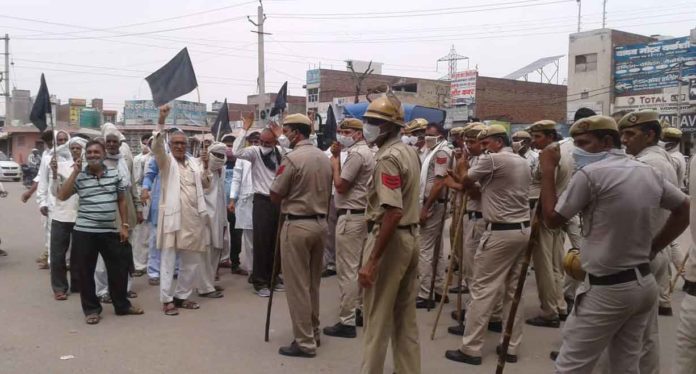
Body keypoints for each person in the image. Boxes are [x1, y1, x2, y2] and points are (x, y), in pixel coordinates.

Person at [543, 115, 688, 373]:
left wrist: (547, 170)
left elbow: (552, 219)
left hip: (608, 289)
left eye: (584, 143)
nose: (577, 150)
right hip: (641, 283)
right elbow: (684, 208)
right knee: (625, 364)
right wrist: (654, 247)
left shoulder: (590, 174)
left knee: (570, 366)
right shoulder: (646, 170)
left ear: (606, 141)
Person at [443, 124, 531, 365]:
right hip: (522, 229)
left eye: (485, 143)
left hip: (500, 232)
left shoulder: (492, 160)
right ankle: (510, 346)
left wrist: (460, 168)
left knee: (482, 289)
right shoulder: (521, 161)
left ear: (498, 142)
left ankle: (471, 348)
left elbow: (466, 181)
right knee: (514, 291)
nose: (481, 148)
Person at [358, 94, 421, 374]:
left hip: (391, 238)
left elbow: (392, 212)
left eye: (374, 122)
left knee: (377, 318)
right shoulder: (408, 151)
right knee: (404, 319)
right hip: (409, 236)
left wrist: (372, 261)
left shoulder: (388, 157)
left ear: (388, 127)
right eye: (368, 121)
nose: (367, 126)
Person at [56, 140, 144, 325]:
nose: (92, 155)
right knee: (86, 272)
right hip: (84, 232)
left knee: (118, 270)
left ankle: (122, 306)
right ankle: (91, 309)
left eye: (96, 152)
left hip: (110, 230)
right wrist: (75, 171)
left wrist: (125, 225)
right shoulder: (79, 177)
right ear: (84, 155)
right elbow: (62, 196)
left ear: (103, 154)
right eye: (89, 152)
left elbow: (121, 200)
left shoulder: (114, 174)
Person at [269, 113, 332, 357]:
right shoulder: (323, 157)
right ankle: (313, 331)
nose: (284, 134)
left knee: (297, 286)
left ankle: (304, 342)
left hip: (297, 225)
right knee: (312, 284)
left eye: (286, 130)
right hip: (319, 224)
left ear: (296, 132)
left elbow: (276, 194)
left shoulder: (292, 159)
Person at [154, 105, 211, 316]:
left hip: (194, 218)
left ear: (187, 146)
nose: (179, 146)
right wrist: (161, 120)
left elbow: (206, 185)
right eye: (176, 143)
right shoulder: (166, 162)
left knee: (192, 261)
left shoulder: (195, 163)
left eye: (182, 143)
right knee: (168, 260)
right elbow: (157, 146)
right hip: (172, 218)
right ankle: (166, 299)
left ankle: (182, 296)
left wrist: (206, 167)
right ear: (170, 145)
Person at [448, 123, 504, 335]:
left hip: (479, 219)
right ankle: (487, 314)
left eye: (472, 142)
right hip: (472, 217)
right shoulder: (474, 159)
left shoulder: (485, 162)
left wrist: (461, 177)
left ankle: (480, 317)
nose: (468, 145)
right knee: (475, 271)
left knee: (477, 273)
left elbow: (475, 193)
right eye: (467, 141)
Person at [322, 118, 375, 339]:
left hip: (351, 216)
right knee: (358, 266)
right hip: (362, 214)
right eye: (340, 131)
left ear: (357, 133)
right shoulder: (369, 152)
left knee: (348, 271)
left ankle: (347, 320)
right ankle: (359, 310)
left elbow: (341, 185)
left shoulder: (356, 154)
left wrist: (335, 161)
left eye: (346, 131)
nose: (342, 135)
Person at [231, 113, 287, 297]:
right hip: (262, 201)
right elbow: (236, 151)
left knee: (276, 241)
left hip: (279, 202)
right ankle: (260, 281)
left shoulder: (281, 152)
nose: (264, 145)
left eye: (268, 142)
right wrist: (244, 129)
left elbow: (293, 149)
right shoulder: (254, 152)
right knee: (261, 242)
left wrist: (280, 136)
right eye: (261, 141)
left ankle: (274, 277)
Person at [525, 120, 574, 328]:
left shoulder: (550, 154)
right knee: (555, 264)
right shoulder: (561, 151)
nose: (534, 142)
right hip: (555, 210)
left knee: (544, 264)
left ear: (550, 136)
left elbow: (548, 185)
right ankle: (559, 305)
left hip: (543, 211)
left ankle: (549, 311)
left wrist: (542, 214)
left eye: (538, 137)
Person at [416, 121, 452, 309]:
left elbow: (439, 182)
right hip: (432, 203)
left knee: (425, 250)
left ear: (440, 134)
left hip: (434, 204)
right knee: (436, 251)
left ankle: (424, 293)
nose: (427, 136)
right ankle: (437, 290)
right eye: (425, 133)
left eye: (431, 133)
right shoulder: (431, 150)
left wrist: (425, 207)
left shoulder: (441, 152)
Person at [48, 136, 87, 300]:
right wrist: (55, 174)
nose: (75, 151)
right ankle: (59, 287)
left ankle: (78, 285)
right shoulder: (61, 167)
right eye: (73, 148)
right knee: (57, 255)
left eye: (78, 148)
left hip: (81, 217)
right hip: (61, 216)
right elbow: (54, 191)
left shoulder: (89, 169)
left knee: (80, 255)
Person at [35, 130, 71, 269]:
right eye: (59, 140)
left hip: (71, 204)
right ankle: (53, 262)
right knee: (53, 235)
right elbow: (43, 182)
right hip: (53, 202)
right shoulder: (47, 158)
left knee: (71, 237)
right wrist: (42, 202)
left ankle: (68, 262)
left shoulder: (75, 156)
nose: (62, 143)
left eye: (64, 139)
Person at [196, 141, 227, 299]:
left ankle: (209, 283)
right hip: (205, 219)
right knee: (205, 253)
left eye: (222, 155)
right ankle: (204, 287)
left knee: (215, 253)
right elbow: (203, 182)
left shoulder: (221, 171)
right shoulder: (200, 167)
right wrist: (205, 164)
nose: (219, 158)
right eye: (216, 155)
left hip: (219, 218)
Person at [229, 133, 254, 276]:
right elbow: (236, 179)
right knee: (249, 240)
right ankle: (252, 271)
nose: (256, 144)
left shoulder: (270, 154)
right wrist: (232, 199)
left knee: (264, 239)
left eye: (258, 141)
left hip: (265, 201)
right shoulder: (242, 158)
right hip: (247, 201)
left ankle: (264, 271)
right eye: (252, 141)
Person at [131, 135, 152, 276]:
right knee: (139, 233)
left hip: (154, 196)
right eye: (144, 143)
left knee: (151, 233)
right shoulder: (136, 159)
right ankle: (138, 264)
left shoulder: (157, 158)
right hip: (140, 195)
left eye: (148, 143)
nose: (145, 145)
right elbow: (135, 180)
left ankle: (151, 264)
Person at [512, 130, 540, 211]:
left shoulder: (536, 157)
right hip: (515, 194)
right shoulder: (512, 156)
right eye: (514, 141)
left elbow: (536, 178)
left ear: (527, 142)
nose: (514, 143)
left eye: (517, 141)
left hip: (530, 195)